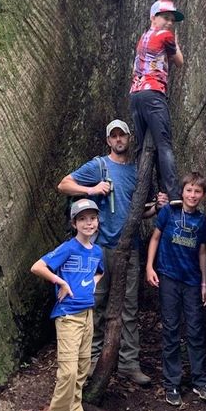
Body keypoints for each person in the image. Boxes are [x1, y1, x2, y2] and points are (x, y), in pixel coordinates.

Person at [57, 119, 153, 385]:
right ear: (108, 140)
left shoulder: (138, 172)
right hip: (98, 249)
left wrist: (157, 207)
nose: (119, 140)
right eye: (114, 136)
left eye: (123, 135)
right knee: (96, 304)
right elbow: (64, 185)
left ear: (130, 139)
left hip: (129, 249)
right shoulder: (98, 166)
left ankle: (128, 363)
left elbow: (139, 211)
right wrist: (92, 189)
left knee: (129, 308)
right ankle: (91, 362)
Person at [30, 199, 104, 411]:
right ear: (74, 223)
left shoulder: (96, 251)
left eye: (92, 218)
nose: (88, 223)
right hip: (68, 316)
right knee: (68, 372)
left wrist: (92, 284)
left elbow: (99, 271)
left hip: (87, 315)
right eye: (82, 219)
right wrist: (60, 283)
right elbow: (38, 266)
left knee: (82, 369)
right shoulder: (68, 248)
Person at [146, 171, 206, 406]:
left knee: (196, 330)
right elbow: (155, 238)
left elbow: (202, 252)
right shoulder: (168, 212)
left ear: (203, 195)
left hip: (193, 281)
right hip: (168, 277)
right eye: (189, 190)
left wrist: (204, 282)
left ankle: (199, 381)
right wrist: (149, 266)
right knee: (171, 329)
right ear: (182, 192)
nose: (193, 195)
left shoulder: (202, 220)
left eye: (198, 191)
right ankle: (172, 383)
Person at [129, 0, 184, 206]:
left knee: (142, 147)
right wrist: (176, 42)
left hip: (136, 95)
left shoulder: (143, 38)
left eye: (172, 19)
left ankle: (147, 193)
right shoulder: (166, 36)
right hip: (153, 93)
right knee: (164, 145)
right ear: (153, 17)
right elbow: (179, 61)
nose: (170, 22)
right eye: (165, 17)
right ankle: (173, 193)